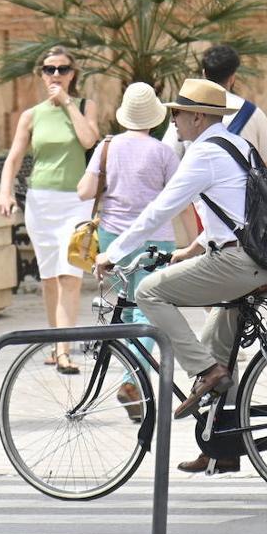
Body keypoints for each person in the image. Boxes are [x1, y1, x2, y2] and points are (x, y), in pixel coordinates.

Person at [93, 78, 267, 466]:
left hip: (238, 263)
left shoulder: (203, 154)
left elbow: (160, 209)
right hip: (259, 257)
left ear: (197, 116)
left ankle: (205, 371)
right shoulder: (237, 144)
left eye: (178, 113)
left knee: (149, 291)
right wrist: (191, 249)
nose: (174, 120)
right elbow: (237, 211)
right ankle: (222, 451)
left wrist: (112, 253)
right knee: (217, 347)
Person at [76, 83, 195, 418]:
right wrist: (194, 243)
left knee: (128, 311)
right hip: (157, 240)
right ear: (154, 117)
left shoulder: (107, 147)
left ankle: (135, 381)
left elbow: (84, 191)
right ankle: (134, 380)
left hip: (113, 240)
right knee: (149, 311)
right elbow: (181, 201)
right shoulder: (163, 153)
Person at [0, 46, 100, 375]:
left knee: (70, 275)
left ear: (73, 74)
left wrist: (68, 103)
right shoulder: (31, 115)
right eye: (49, 69)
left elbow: (89, 141)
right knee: (50, 278)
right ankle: (56, 342)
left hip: (77, 201)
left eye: (62, 69)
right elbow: (14, 157)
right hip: (41, 201)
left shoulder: (86, 107)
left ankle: (64, 350)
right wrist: (6, 192)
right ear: (40, 74)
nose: (55, 75)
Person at [162, 44, 267, 170]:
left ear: (204, 73)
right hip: (242, 189)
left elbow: (169, 156)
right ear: (232, 78)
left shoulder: (187, 109)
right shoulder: (253, 114)